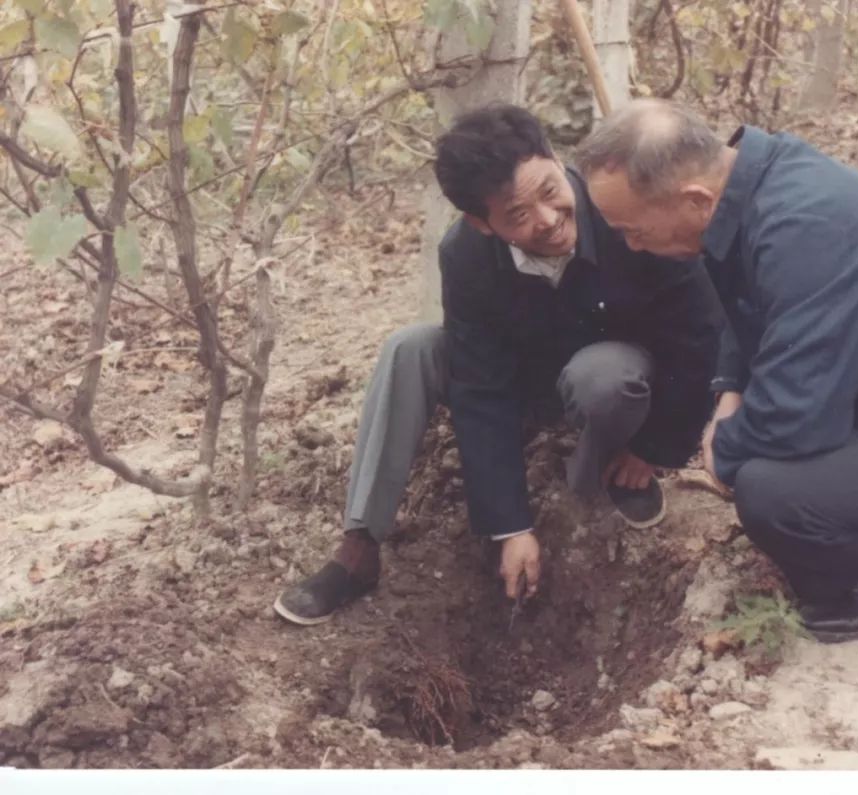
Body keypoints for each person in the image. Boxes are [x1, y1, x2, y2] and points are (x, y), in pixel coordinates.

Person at [576, 98, 858, 643]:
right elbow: (746, 309)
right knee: (758, 457)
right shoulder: (746, 186)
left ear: (694, 199)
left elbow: (796, 417)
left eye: (634, 231)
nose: (633, 246)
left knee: (773, 492)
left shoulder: (807, 228)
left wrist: (724, 450)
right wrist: (728, 395)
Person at [274, 103, 723, 626]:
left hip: (615, 378)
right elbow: (478, 385)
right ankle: (358, 546)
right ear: (481, 223)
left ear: (556, 159)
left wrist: (657, 447)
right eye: (517, 215)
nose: (549, 220)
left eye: (551, 191)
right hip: (524, 380)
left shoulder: (620, 207)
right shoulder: (464, 255)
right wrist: (510, 525)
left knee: (604, 377)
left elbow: (698, 333)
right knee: (410, 347)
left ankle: (608, 474)